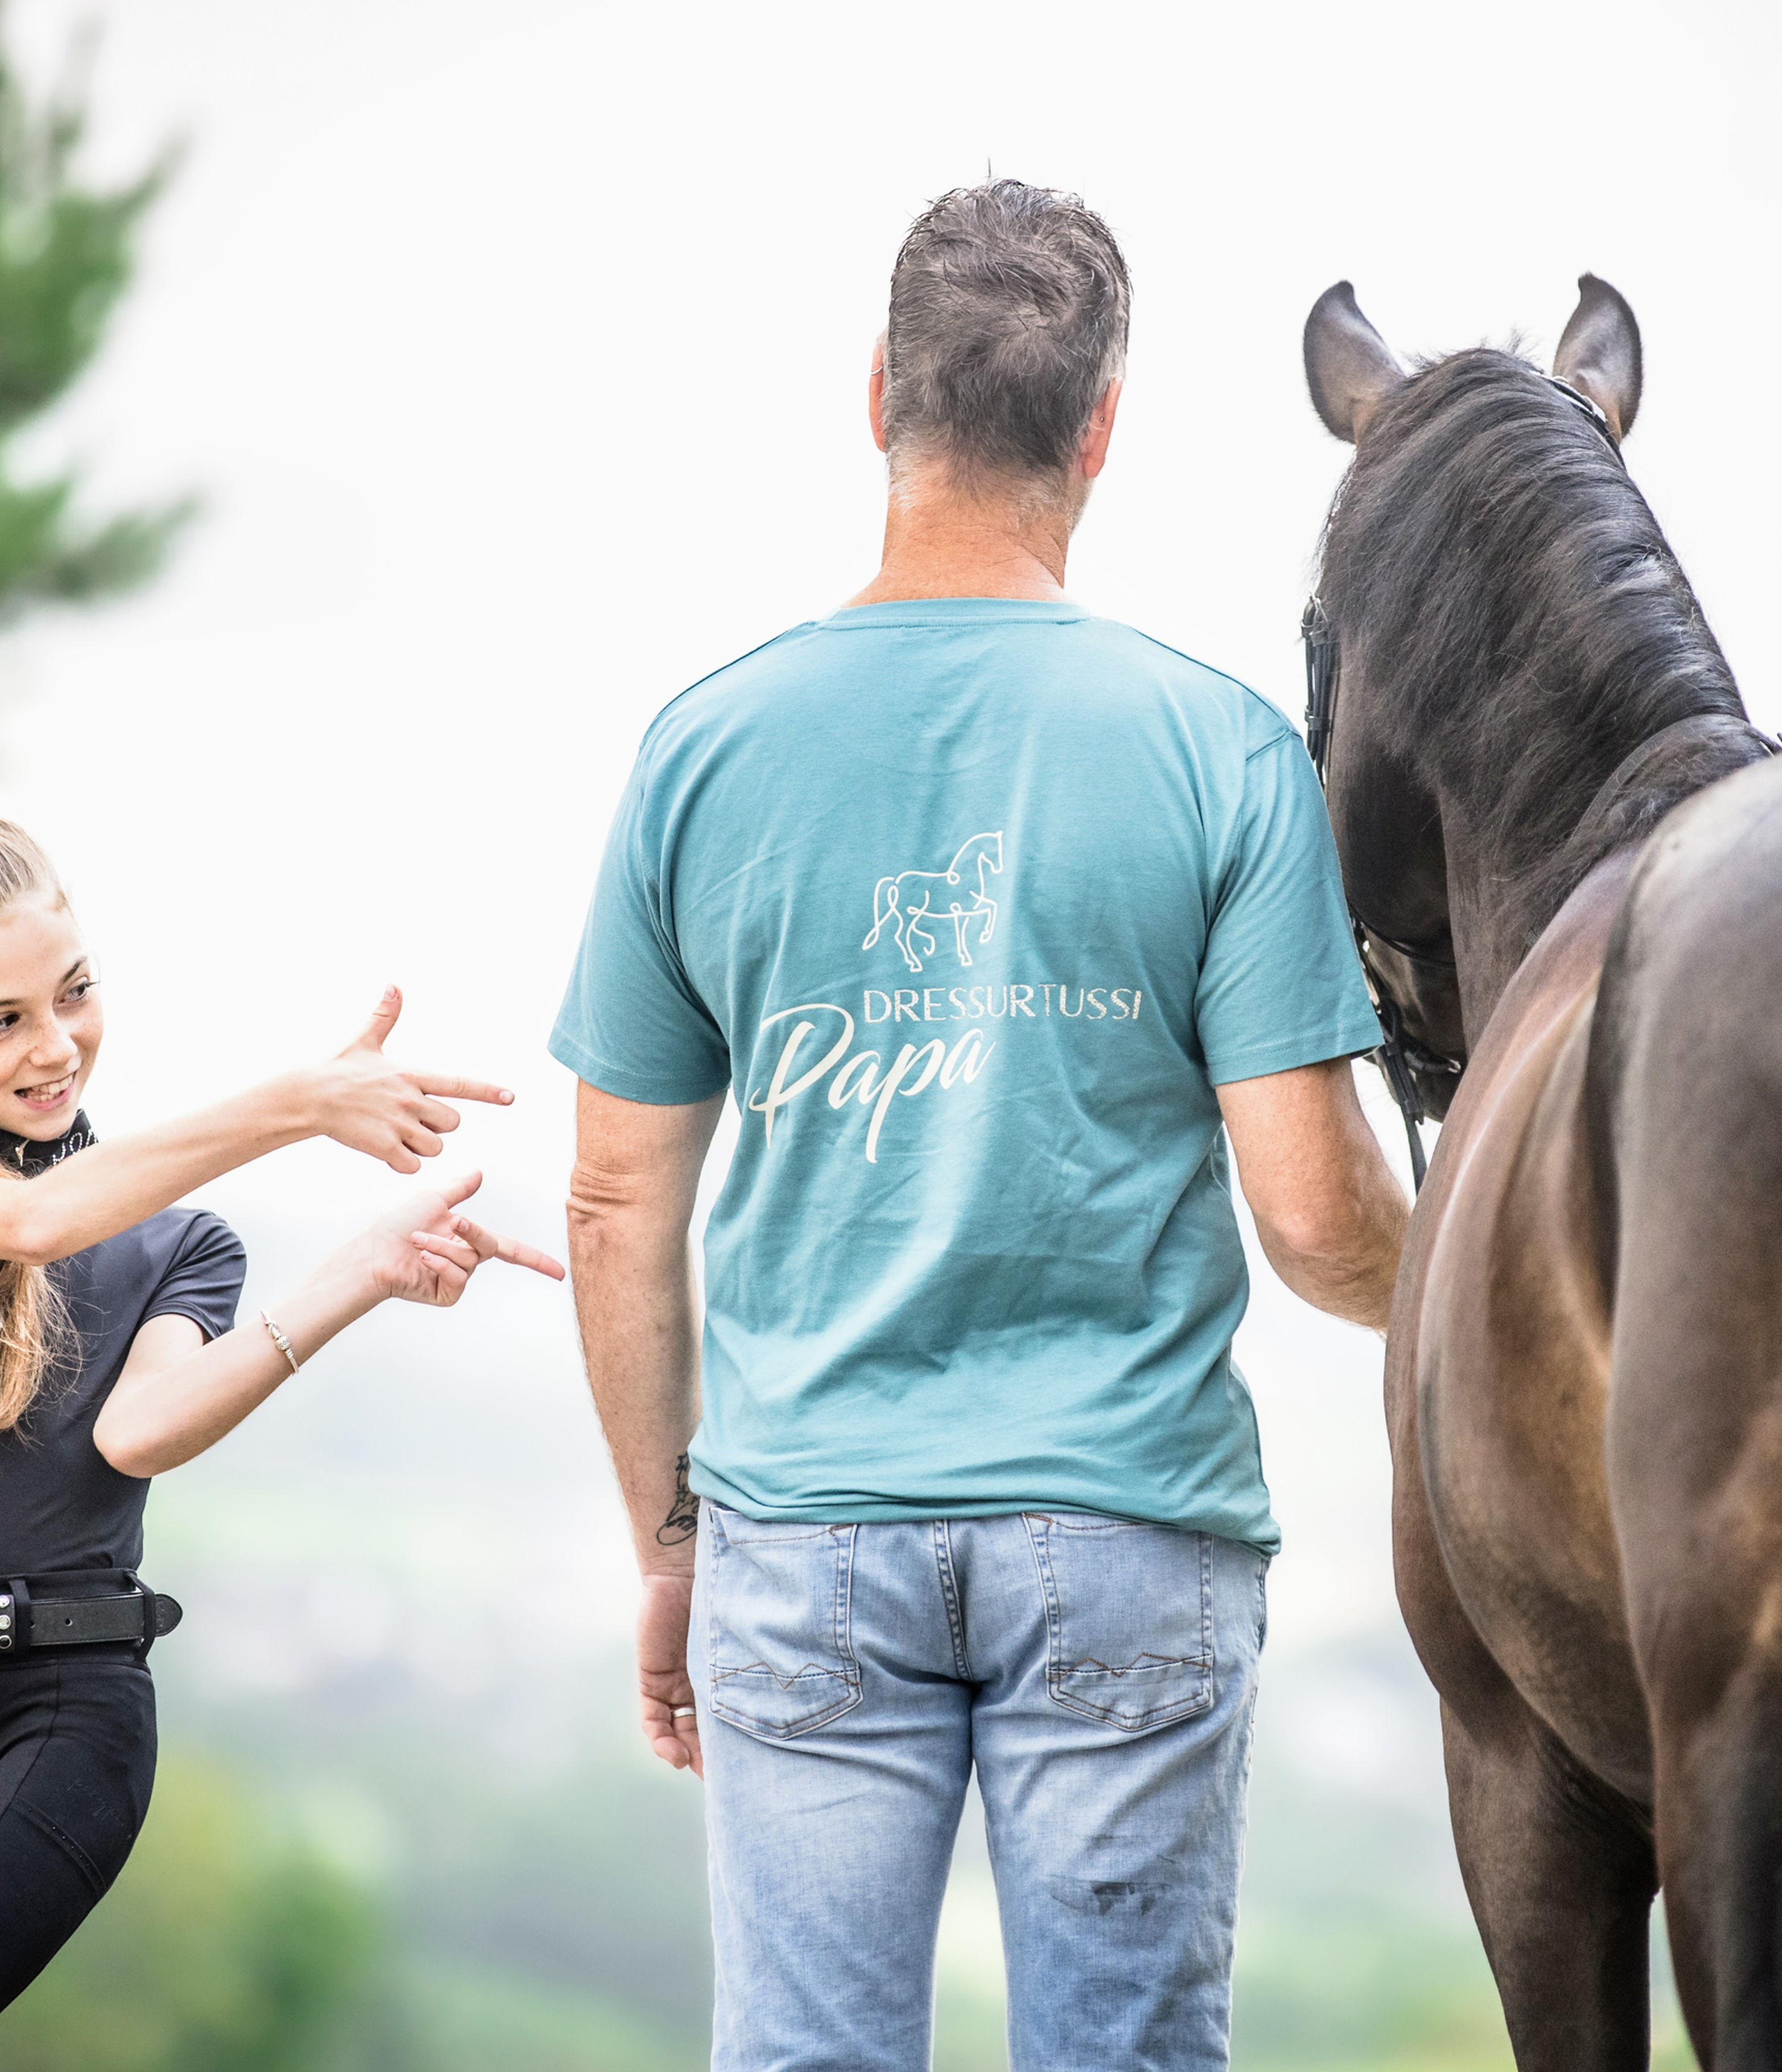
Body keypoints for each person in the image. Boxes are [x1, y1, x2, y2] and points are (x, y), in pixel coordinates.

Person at [552, 181, 1411, 2072]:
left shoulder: (704, 746)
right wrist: (1500, 1291)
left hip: (801, 1530)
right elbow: (1315, 1223)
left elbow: (616, 1199)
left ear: (876, 392)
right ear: (1102, 427)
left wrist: (671, 1535)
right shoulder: (1216, 750)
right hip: (1125, 1525)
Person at [0, 802, 562, 2072]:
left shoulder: (179, 1242)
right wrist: (294, 1102)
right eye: (1, 1020)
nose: (56, 1045)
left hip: (61, 1707)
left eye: (74, 994)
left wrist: (361, 1269)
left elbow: (144, 1430)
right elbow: (30, 1222)